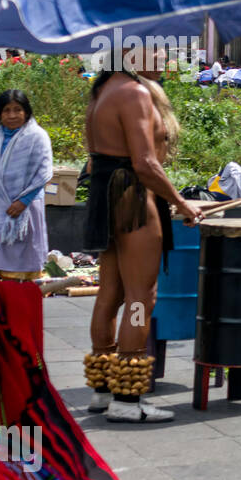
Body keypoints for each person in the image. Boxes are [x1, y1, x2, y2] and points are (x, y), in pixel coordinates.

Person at [84, 48, 204, 423]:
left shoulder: (102, 90)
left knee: (110, 293)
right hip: (132, 196)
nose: (163, 56)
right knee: (141, 296)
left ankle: (104, 391)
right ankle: (127, 398)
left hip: (108, 194)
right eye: (155, 48)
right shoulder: (133, 92)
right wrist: (183, 203)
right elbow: (146, 163)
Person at [0, 90, 53, 281]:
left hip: (25, 209)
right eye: (6, 110)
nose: (12, 115)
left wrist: (23, 201)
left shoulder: (37, 137)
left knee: (21, 268)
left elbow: (43, 174)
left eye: (17, 110)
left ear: (26, 112)